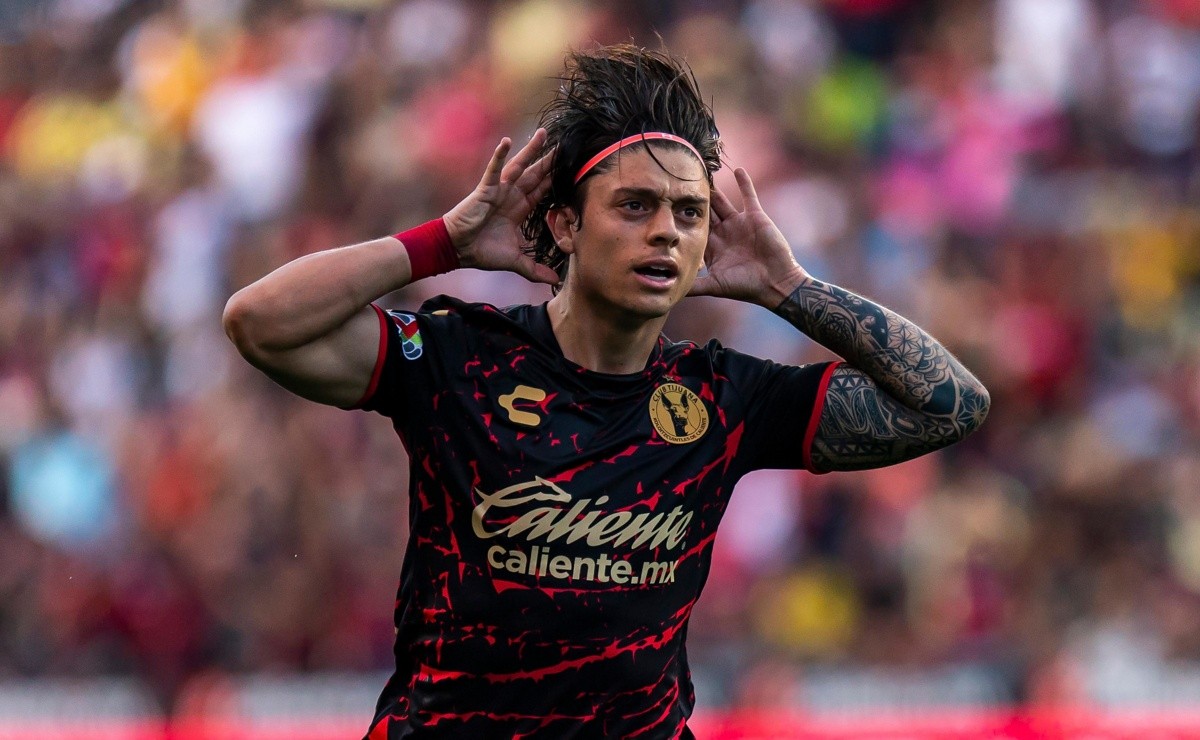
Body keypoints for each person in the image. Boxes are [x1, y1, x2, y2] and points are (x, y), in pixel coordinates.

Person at [223, 44, 989, 740]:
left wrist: (789, 287)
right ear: (563, 223)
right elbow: (261, 323)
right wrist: (444, 243)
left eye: (689, 213)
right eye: (636, 206)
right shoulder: (462, 360)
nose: (668, 232)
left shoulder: (722, 399)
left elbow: (952, 404)